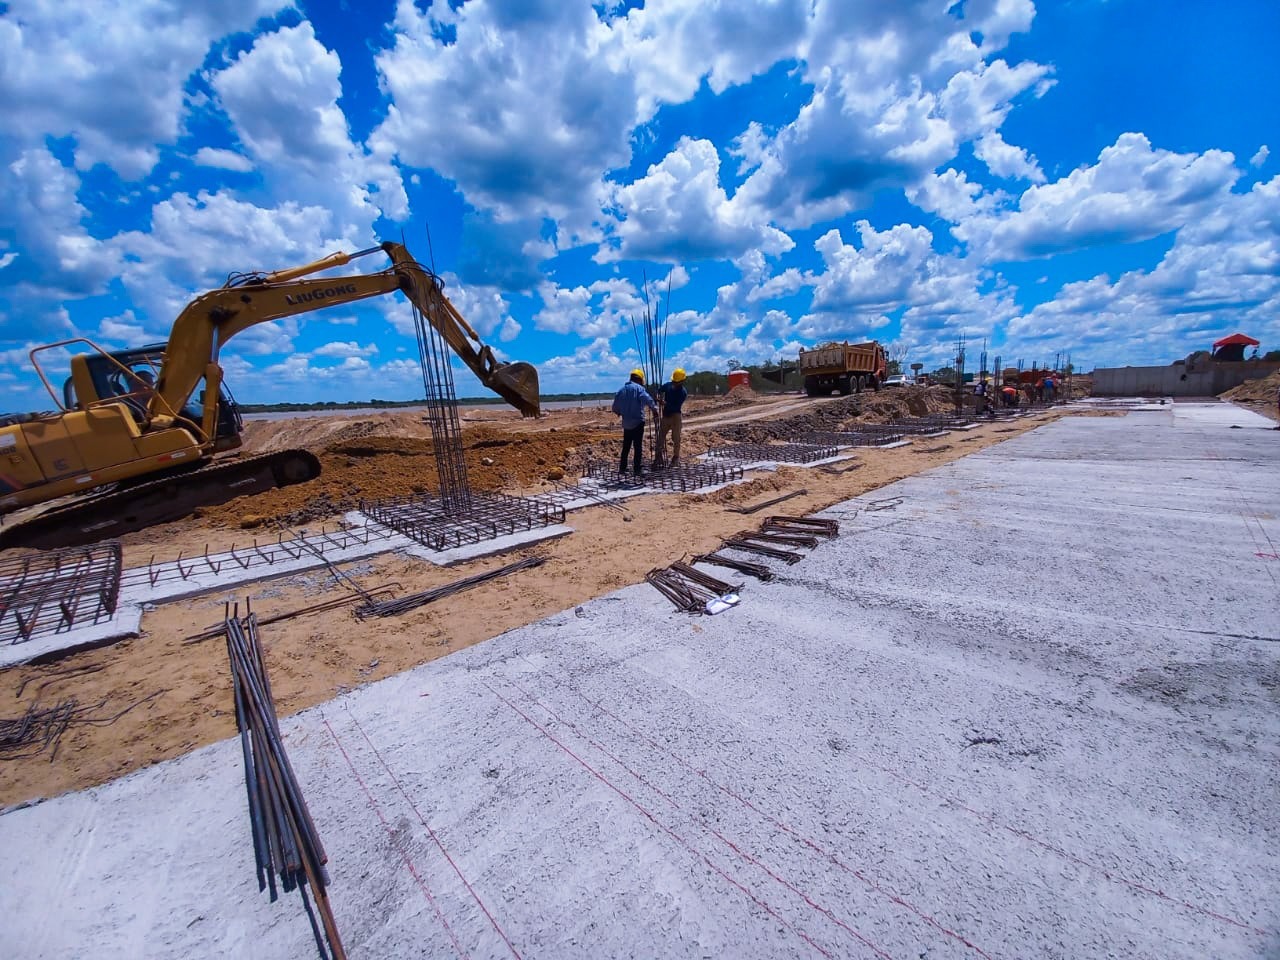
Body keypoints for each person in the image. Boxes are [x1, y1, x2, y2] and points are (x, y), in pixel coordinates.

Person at [612, 368, 657, 477]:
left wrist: (619, 412)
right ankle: (637, 469)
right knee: (637, 447)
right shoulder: (639, 389)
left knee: (626, 446)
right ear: (639, 379)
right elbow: (648, 399)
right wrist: (654, 409)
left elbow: (614, 407)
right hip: (638, 422)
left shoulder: (621, 390)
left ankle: (622, 468)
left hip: (626, 423)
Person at [655, 368, 688, 467]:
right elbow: (659, 390)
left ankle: (675, 458)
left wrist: (664, 403)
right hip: (666, 415)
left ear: (682, 381)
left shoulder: (683, 393)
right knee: (660, 437)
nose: (674, 383)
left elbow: (675, 406)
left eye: (676, 382)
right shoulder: (668, 385)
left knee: (676, 438)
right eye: (674, 381)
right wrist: (657, 395)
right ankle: (658, 457)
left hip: (675, 416)